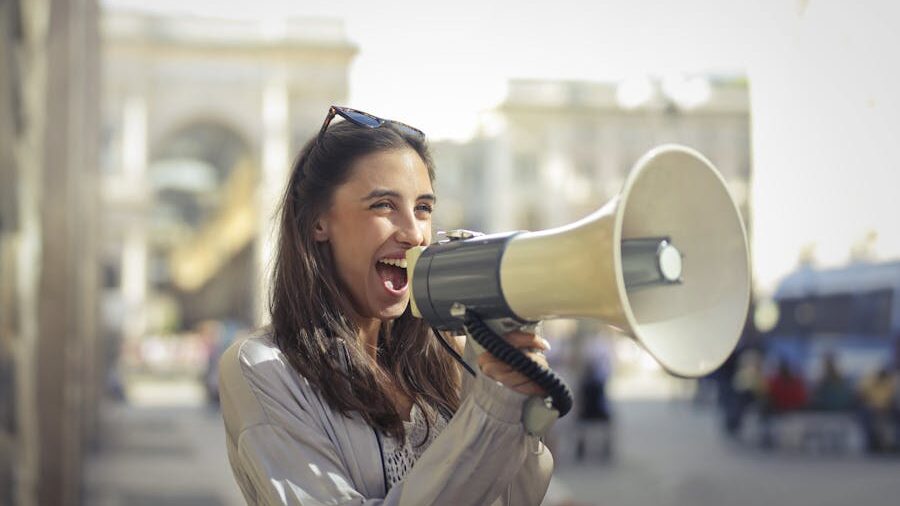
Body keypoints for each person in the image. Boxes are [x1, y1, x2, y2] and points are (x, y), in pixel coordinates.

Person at [217, 106, 554, 505]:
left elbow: (515, 498)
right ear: (318, 223)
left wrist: (517, 404)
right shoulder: (262, 368)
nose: (414, 234)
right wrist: (490, 413)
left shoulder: (450, 355)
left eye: (423, 208)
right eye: (383, 206)